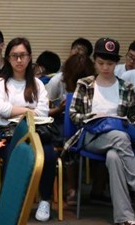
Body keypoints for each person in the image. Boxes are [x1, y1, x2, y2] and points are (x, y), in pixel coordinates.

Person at [69, 37, 135, 225]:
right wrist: (93, 116)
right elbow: (73, 115)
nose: (105, 68)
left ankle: (125, 218)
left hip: (118, 140)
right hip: (91, 136)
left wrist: (120, 120)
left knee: (114, 157)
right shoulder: (85, 84)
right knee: (120, 137)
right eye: (101, 63)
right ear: (95, 61)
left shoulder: (126, 86)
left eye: (110, 64)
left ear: (116, 63)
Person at [0, 37, 56, 222]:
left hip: (36, 132)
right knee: (13, 153)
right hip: (8, 133)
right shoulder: (0, 83)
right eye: (14, 56)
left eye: (23, 55)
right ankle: (11, 202)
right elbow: (2, 109)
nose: (19, 60)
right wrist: (28, 111)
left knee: (49, 154)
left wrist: (17, 111)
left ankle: (45, 200)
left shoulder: (37, 84)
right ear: (8, 58)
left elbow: (43, 111)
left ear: (29, 57)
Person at [46, 53, 94, 206]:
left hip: (86, 121)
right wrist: (59, 109)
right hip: (60, 120)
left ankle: (98, 190)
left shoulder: (95, 83)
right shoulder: (57, 81)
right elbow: (43, 110)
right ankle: (72, 188)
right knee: (69, 137)